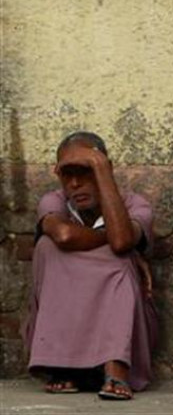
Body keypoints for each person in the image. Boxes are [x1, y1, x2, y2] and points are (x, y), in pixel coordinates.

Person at [24, 131, 156, 400]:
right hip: (64, 339)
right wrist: (120, 243)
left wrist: (99, 166)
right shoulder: (54, 201)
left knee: (120, 254)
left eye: (84, 171)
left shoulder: (136, 206)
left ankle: (116, 366)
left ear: (105, 168)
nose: (74, 183)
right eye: (66, 174)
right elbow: (65, 235)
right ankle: (62, 364)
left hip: (124, 341)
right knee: (48, 246)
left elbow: (120, 243)